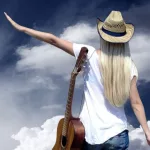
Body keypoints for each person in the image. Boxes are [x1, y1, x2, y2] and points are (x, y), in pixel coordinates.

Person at [4, 10, 150, 149]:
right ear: (124, 40)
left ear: (102, 35)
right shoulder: (129, 66)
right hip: (118, 134)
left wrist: (22, 29)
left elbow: (53, 39)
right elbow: (136, 103)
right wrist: (147, 132)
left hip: (92, 134)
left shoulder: (89, 54)